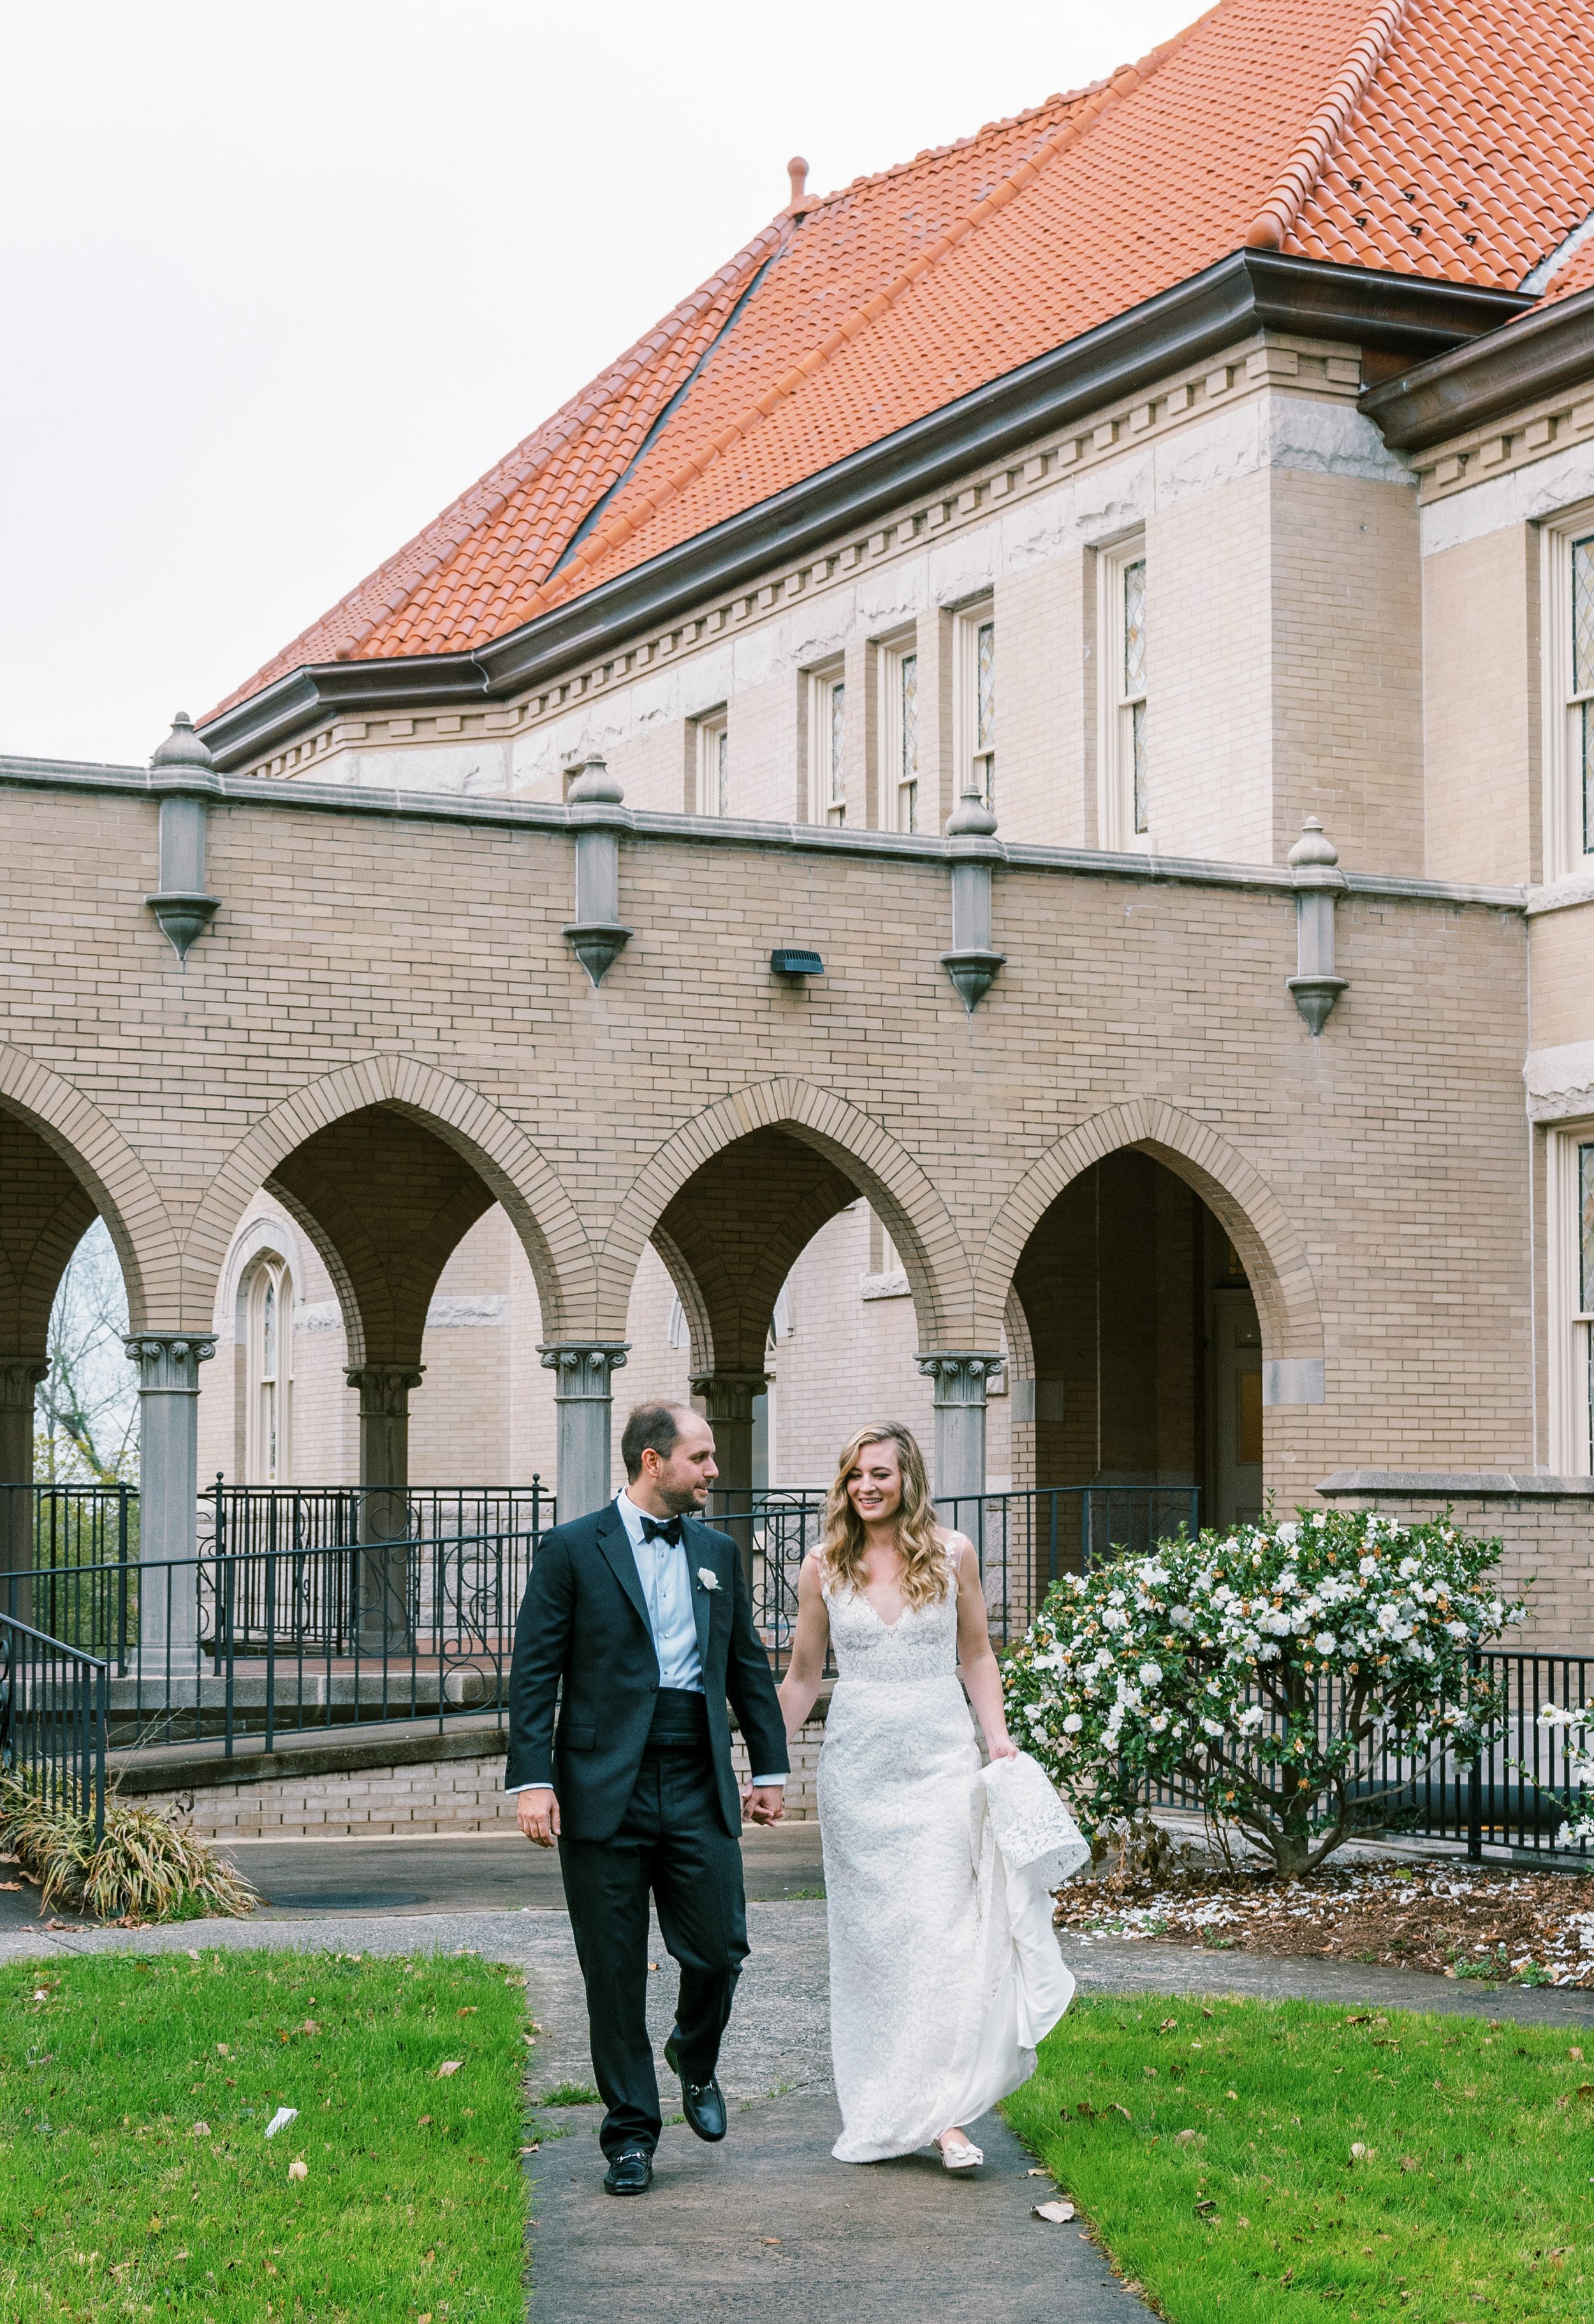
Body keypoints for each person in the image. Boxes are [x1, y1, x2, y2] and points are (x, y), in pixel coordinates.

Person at [505, 1402, 789, 2196]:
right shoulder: (570, 1549)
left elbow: (746, 1665)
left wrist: (769, 1769)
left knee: (720, 1947)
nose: (713, 1471)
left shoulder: (717, 1552)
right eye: (700, 1457)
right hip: (602, 1787)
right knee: (614, 1968)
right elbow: (535, 1671)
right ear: (653, 1460)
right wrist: (534, 1779)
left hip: (696, 1776)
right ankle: (630, 2134)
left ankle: (693, 2055)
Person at [779, 1423, 1078, 2167]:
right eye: (854, 1476)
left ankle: (947, 2116)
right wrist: (765, 1765)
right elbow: (803, 1676)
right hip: (859, 1772)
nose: (867, 1487)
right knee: (875, 1945)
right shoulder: (822, 1567)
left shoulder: (952, 1555)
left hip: (940, 1760)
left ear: (907, 1477)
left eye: (879, 1473)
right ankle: (884, 2106)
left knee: (944, 1934)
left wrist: (996, 1737)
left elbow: (976, 1652)